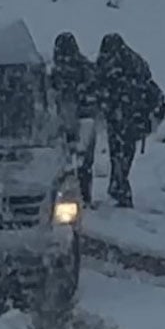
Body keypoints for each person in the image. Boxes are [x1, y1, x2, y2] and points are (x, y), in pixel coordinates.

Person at [94, 33, 165, 208]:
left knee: (120, 155)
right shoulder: (132, 66)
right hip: (126, 118)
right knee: (120, 156)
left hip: (126, 118)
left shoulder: (127, 68)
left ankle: (120, 190)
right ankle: (118, 188)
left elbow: (107, 88)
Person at [51, 31, 100, 205]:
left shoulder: (56, 71)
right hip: (84, 120)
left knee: (65, 163)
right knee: (84, 163)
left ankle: (67, 197)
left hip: (66, 121)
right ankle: (83, 196)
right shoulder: (86, 68)